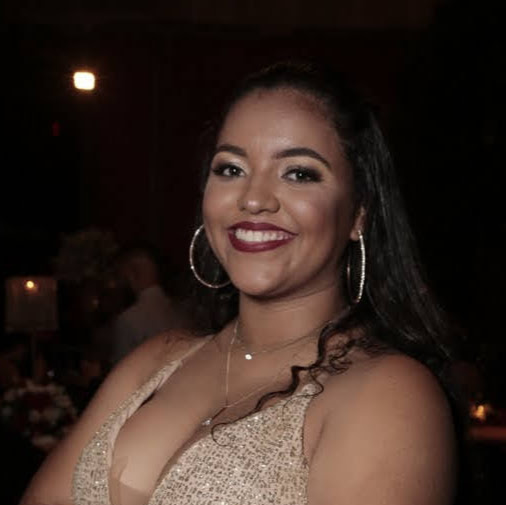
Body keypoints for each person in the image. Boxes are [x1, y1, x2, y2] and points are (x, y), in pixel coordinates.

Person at [20, 62, 458, 505]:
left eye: (299, 173)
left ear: (359, 213)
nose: (252, 198)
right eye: (230, 169)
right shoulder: (153, 362)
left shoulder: (389, 393)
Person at [108, 246, 176, 364]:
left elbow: (122, 367)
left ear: (131, 275)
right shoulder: (182, 309)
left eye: (120, 277)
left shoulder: (128, 319)